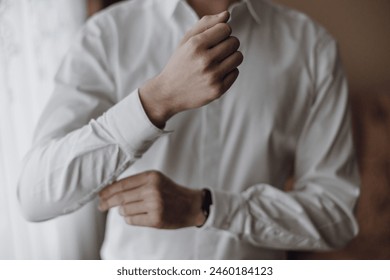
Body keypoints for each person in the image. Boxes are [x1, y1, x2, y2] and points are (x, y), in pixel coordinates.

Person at [18, 0, 360, 259]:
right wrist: (155, 100)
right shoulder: (109, 34)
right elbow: (35, 195)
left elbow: (336, 215)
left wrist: (207, 207)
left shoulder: (312, 48)